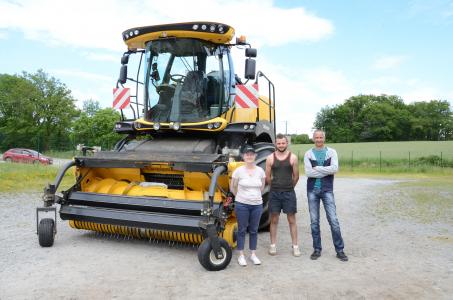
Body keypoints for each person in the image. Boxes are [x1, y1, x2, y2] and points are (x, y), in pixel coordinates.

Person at [304, 129, 348, 262]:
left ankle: (339, 250)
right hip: (312, 191)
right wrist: (325, 171)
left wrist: (317, 168)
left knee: (333, 221)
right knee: (314, 222)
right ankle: (317, 249)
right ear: (313, 139)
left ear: (324, 138)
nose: (318, 140)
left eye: (321, 137)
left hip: (327, 190)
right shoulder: (308, 154)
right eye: (316, 137)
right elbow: (309, 173)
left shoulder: (331, 152)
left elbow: (335, 169)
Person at [265, 134, 301, 257]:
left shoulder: (293, 158)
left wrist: (289, 187)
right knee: (274, 220)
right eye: (279, 143)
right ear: (276, 144)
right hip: (274, 193)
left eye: (283, 143)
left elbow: (296, 177)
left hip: (289, 193)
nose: (281, 145)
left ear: (287, 143)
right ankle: (273, 246)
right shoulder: (270, 158)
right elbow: (268, 177)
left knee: (292, 220)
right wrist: (275, 186)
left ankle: (295, 246)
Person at [230, 145, 266, 266]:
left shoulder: (260, 171)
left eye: (251, 154)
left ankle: (253, 254)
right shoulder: (238, 171)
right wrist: (240, 198)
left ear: (255, 156)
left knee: (254, 230)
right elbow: (233, 187)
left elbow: (262, 187)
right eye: (247, 154)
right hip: (242, 205)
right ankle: (241, 255)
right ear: (243, 156)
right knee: (241, 230)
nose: (249, 156)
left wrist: (255, 197)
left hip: (257, 205)